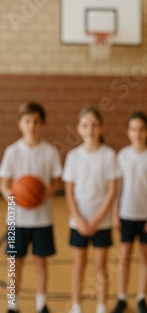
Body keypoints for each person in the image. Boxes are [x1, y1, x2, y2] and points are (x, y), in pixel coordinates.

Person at [0, 102, 62, 313]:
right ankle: (12, 304)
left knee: (41, 263)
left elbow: (56, 181)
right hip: (16, 217)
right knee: (14, 264)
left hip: (42, 218)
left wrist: (49, 191)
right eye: (27, 121)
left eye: (36, 121)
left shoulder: (50, 151)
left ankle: (41, 304)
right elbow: (4, 183)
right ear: (20, 124)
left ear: (42, 124)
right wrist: (9, 194)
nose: (32, 125)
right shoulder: (12, 151)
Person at [62, 106, 120, 313]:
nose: (90, 129)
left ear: (101, 127)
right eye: (86, 125)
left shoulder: (109, 155)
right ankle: (76, 305)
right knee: (79, 264)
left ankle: (101, 305)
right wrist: (78, 219)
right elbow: (69, 192)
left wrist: (96, 219)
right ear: (79, 128)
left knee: (100, 266)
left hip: (101, 222)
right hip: (77, 221)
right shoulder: (73, 156)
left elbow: (112, 191)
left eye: (94, 125)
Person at [113, 111, 147, 313]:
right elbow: (117, 188)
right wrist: (115, 214)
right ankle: (121, 296)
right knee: (124, 257)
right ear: (128, 132)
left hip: (146, 216)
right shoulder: (122, 155)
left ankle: (141, 297)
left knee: (146, 258)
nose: (137, 134)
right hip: (126, 214)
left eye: (141, 129)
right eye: (133, 129)